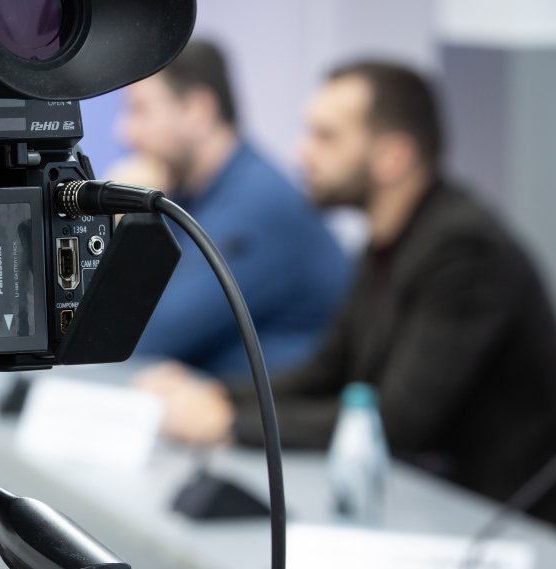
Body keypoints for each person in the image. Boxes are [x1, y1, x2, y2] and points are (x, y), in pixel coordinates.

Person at [140, 61, 556, 523]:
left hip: (500, 524)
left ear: (392, 157)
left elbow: (396, 424)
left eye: (326, 137)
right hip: (426, 502)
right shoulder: (387, 242)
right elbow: (328, 371)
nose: (302, 154)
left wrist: (230, 425)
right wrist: (219, 394)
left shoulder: (465, 252)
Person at [115, 41, 350, 377]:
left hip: (282, 421)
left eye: (139, 110)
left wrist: (121, 219)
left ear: (198, 111)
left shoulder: (258, 204)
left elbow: (140, 339)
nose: (124, 132)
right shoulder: (191, 196)